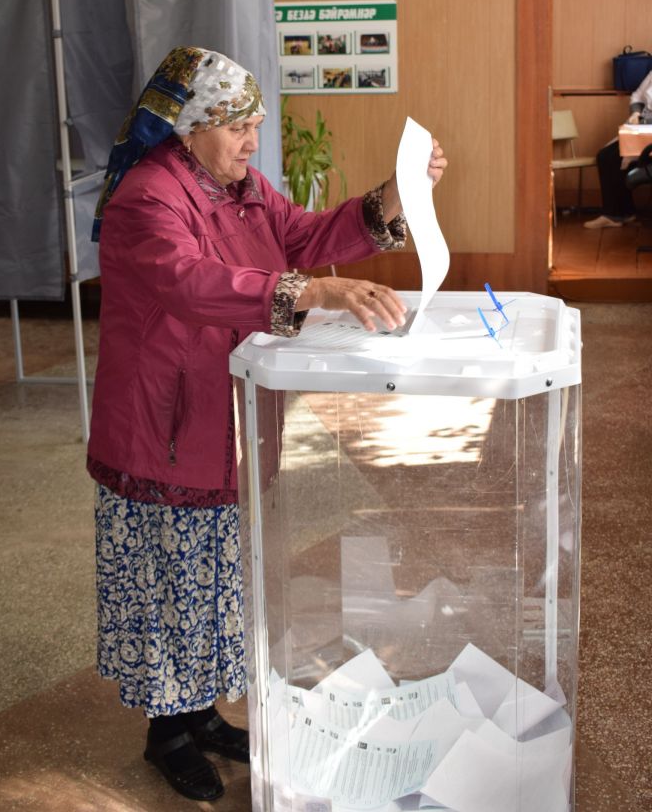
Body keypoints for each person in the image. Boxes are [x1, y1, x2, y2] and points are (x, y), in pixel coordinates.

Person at [88, 46, 447, 802]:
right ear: (190, 128)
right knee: (172, 585)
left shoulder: (242, 188)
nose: (253, 143)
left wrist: (390, 198)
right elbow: (192, 283)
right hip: (165, 428)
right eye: (239, 127)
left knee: (220, 580)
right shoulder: (147, 200)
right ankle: (167, 734)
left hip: (225, 419)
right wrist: (310, 292)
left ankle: (205, 711)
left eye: (255, 126)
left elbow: (308, 239)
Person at [584, 70, 652, 228]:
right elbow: (637, 95)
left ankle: (618, 214)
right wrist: (635, 113)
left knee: (617, 159)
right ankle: (621, 213)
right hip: (642, 129)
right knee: (606, 156)